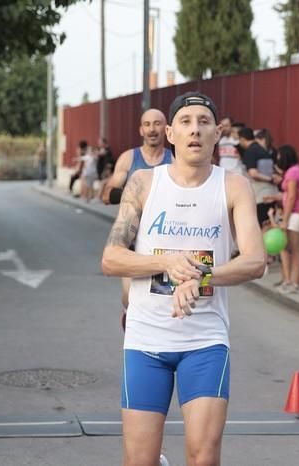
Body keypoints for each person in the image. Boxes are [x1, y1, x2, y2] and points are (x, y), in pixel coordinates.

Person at [102, 91, 265, 466]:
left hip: (205, 341)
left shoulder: (234, 185)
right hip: (145, 340)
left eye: (204, 122)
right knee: (139, 460)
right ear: (171, 133)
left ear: (218, 133)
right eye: (186, 122)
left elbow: (255, 262)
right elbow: (111, 259)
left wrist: (199, 274)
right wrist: (168, 263)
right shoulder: (143, 183)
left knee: (203, 456)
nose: (195, 130)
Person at [101, 108, 174, 322]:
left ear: (166, 129)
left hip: (166, 241)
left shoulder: (175, 160)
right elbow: (106, 194)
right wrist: (136, 194)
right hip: (133, 242)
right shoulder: (128, 158)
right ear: (141, 129)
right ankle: (130, 320)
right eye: (148, 124)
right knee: (129, 297)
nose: (152, 129)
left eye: (157, 124)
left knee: (165, 301)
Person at [264, 145, 299, 294]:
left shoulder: (293, 172)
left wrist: (285, 220)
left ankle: (296, 284)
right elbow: (288, 195)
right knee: (287, 248)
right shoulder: (295, 170)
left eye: (279, 156)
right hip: (295, 213)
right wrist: (273, 197)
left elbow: (291, 197)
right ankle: (288, 280)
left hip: (296, 214)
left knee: (294, 250)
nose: (277, 159)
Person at [238, 127, 281, 227]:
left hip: (260, 195)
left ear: (242, 139)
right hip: (272, 192)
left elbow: (253, 173)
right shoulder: (263, 150)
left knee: (260, 225)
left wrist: (269, 179)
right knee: (269, 224)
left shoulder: (250, 151)